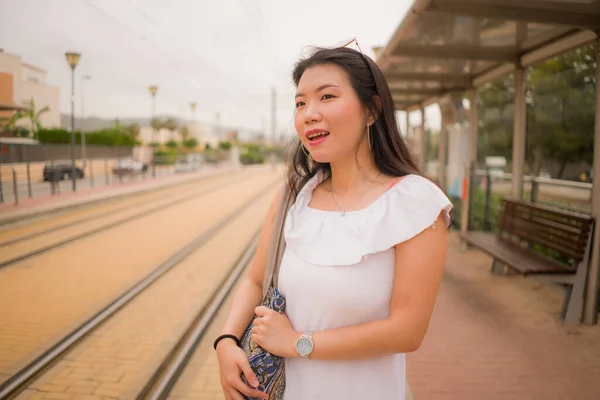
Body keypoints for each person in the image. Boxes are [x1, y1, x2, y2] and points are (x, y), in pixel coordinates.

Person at [214, 39, 453, 400]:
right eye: (300, 102)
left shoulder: (415, 203)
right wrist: (226, 342)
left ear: (372, 110)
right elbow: (252, 279)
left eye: (327, 97)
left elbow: (407, 331)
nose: (309, 112)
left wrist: (298, 343)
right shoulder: (293, 197)